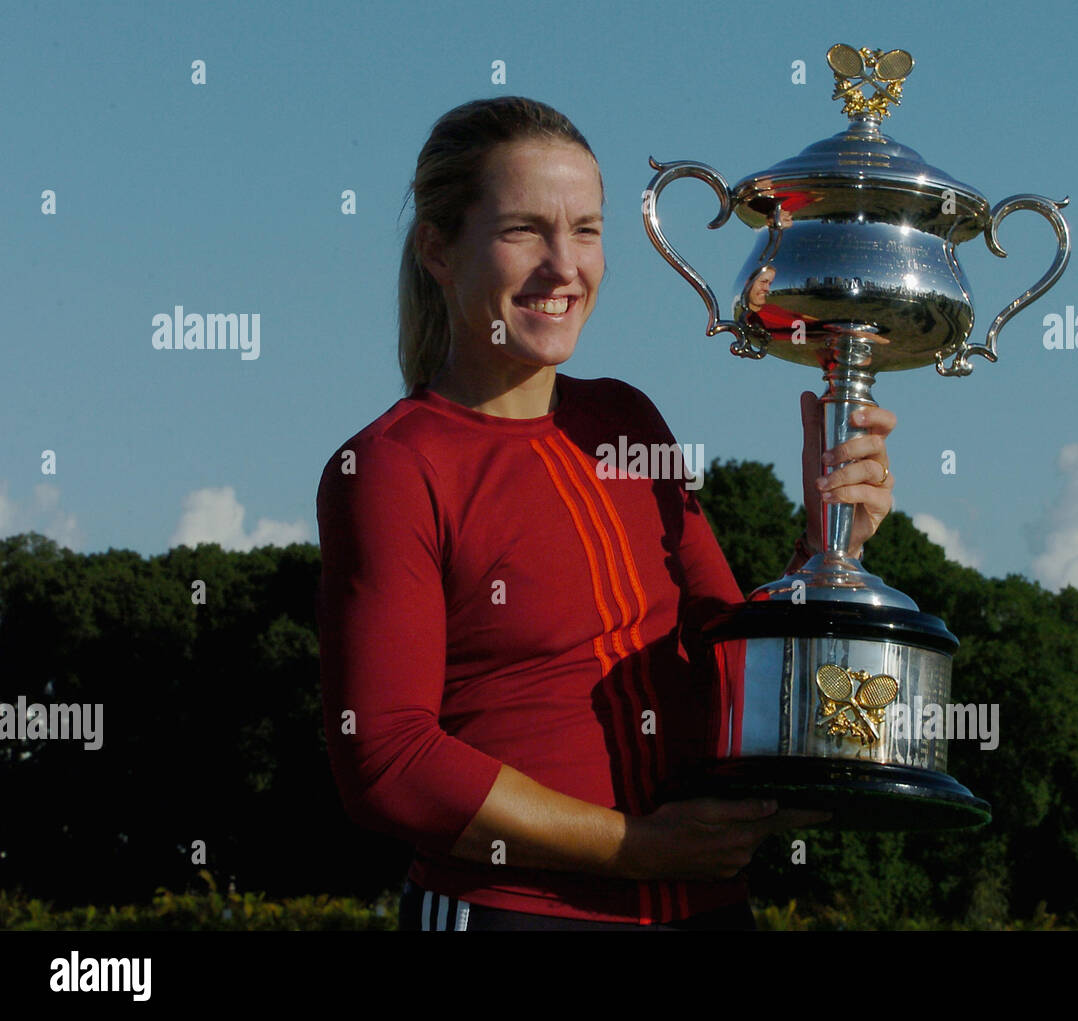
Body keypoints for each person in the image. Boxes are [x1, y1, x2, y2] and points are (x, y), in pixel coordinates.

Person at [314, 96, 897, 931]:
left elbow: (725, 663)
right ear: (437, 247)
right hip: (519, 914)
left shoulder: (626, 421)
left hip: (710, 909)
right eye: (524, 230)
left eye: (586, 230)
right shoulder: (392, 466)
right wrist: (638, 847)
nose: (564, 266)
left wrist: (826, 545)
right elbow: (388, 759)